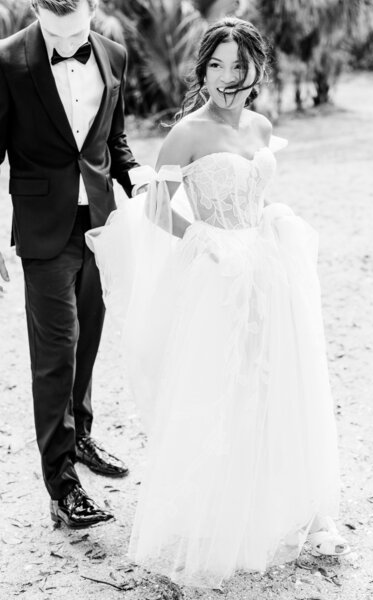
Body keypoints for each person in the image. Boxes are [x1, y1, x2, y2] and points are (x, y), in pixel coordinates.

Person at [87, 17, 350, 588]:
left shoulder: (260, 123)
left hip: (266, 271)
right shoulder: (187, 133)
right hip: (216, 275)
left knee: (270, 386)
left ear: (257, 69)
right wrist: (209, 243)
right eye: (216, 65)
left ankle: (272, 507)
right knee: (220, 390)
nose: (227, 78)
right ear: (202, 70)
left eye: (239, 65)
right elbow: (158, 212)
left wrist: (268, 224)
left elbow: (257, 192)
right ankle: (218, 517)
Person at [0, 0, 140, 528]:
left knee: (87, 339)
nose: (66, 43)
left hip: (102, 226)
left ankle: (80, 435)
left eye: (76, 30)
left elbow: (114, 141)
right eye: (54, 34)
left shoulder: (114, 54)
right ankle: (62, 485)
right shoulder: (7, 59)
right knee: (55, 352)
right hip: (42, 229)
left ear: (93, 10)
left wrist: (138, 179)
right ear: (36, 11)